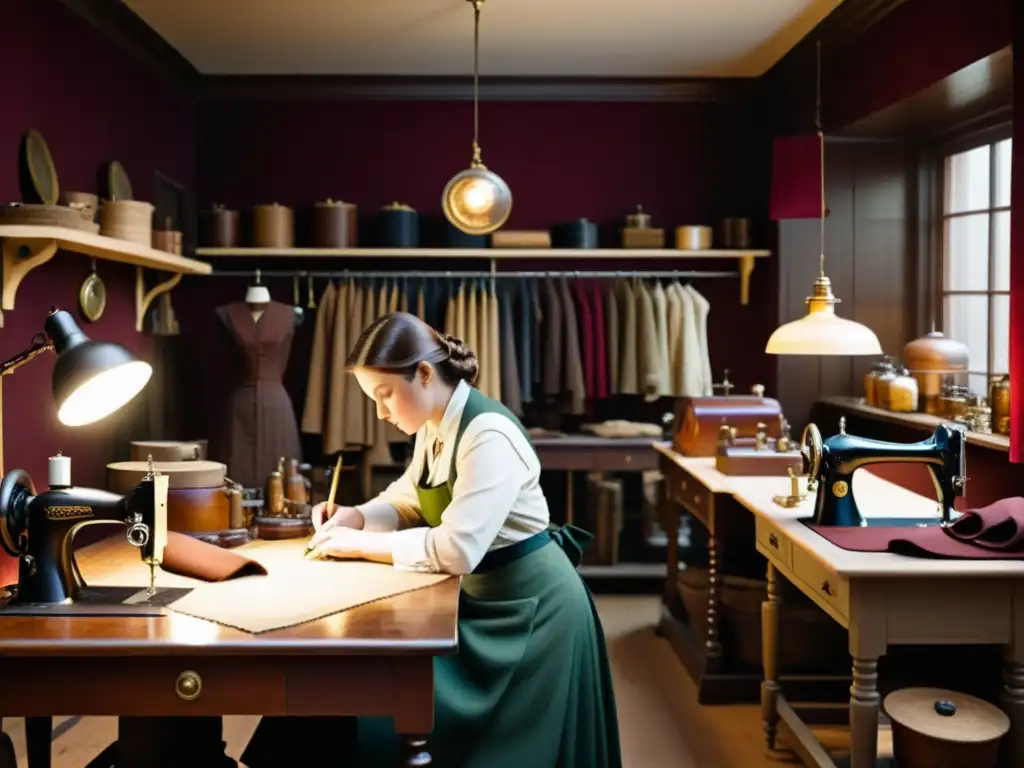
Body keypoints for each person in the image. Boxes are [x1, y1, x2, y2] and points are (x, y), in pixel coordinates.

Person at [241, 311, 622, 768]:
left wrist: (357, 546)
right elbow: (408, 500)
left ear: (423, 374)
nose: (380, 412)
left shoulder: (488, 434)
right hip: (483, 598)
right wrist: (355, 516)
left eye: (384, 395)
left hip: (532, 610)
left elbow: (456, 549)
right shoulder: (435, 426)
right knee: (349, 677)